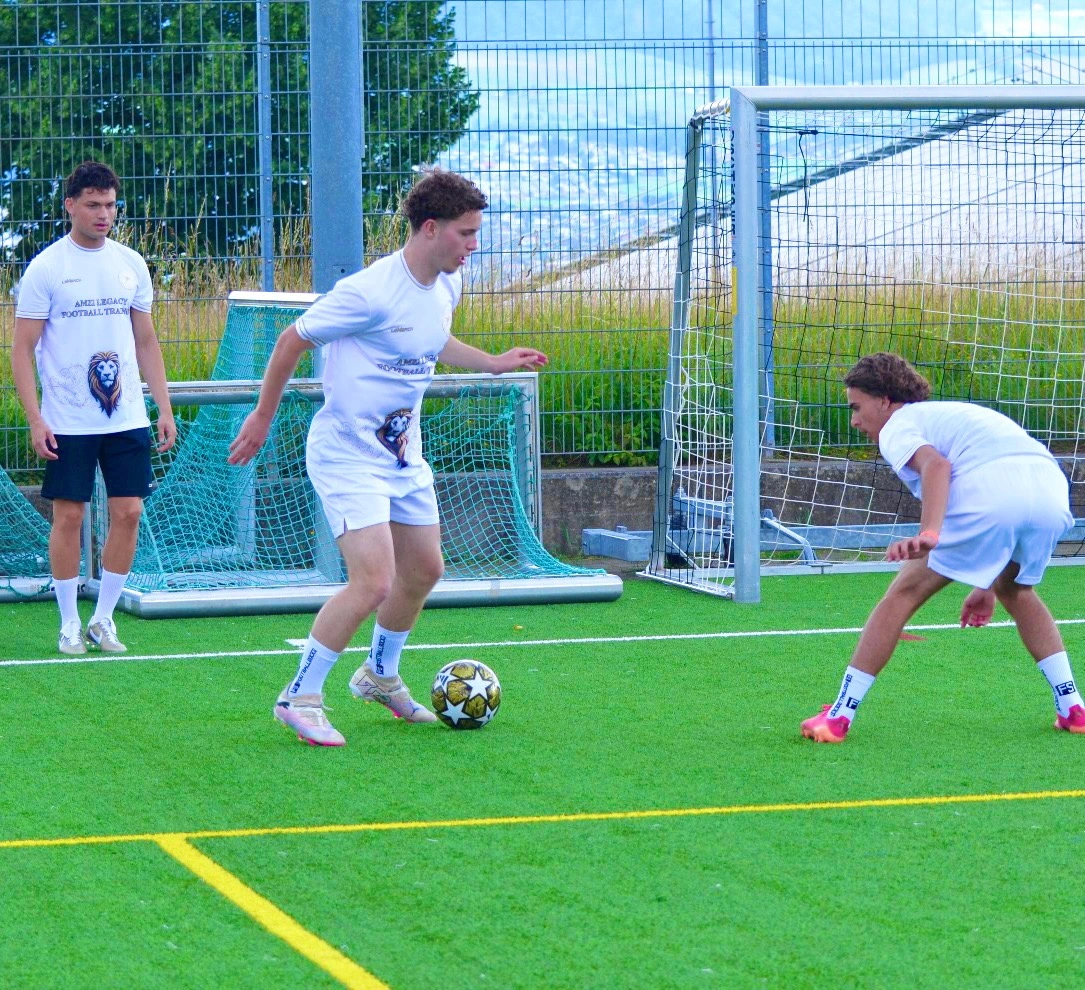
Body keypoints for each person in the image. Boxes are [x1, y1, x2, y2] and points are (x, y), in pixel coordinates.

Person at [227, 169, 547, 747]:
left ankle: (378, 675)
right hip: (346, 455)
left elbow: (430, 341)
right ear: (430, 228)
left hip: (402, 457)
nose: (474, 245)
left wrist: (492, 362)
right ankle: (298, 696)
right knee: (373, 580)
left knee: (424, 570)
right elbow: (291, 341)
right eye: (466, 233)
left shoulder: (447, 283)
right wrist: (262, 417)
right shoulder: (369, 292)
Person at [801, 351, 1084, 743]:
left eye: (856, 406)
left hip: (995, 493)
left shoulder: (897, 425)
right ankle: (1073, 708)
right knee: (1017, 591)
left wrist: (931, 534)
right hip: (1051, 493)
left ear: (884, 400)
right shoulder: (956, 414)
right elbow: (1006, 499)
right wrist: (985, 585)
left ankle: (837, 717)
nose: (854, 420)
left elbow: (938, 467)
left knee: (901, 594)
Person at [11, 161, 177, 656]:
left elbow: (145, 340)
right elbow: (22, 349)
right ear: (70, 206)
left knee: (128, 512)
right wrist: (36, 417)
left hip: (126, 416)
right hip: (67, 419)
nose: (104, 214)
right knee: (69, 517)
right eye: (93, 205)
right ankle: (68, 623)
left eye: (110, 205)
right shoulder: (47, 267)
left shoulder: (131, 263)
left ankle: (103, 619)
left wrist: (162, 406)